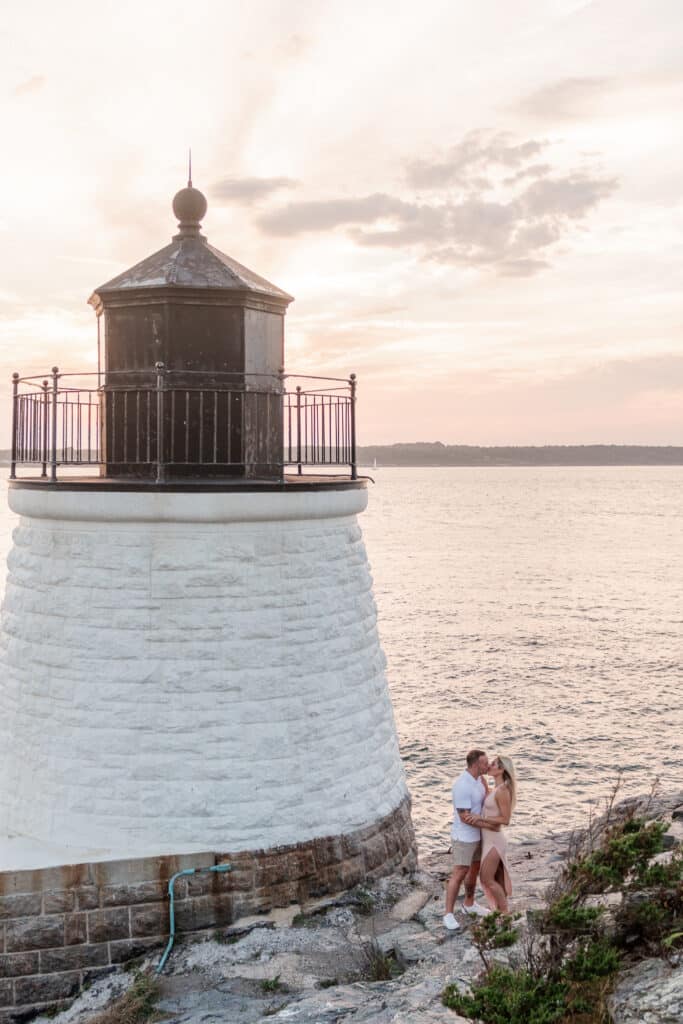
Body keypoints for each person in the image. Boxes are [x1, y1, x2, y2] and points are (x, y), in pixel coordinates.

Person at [443, 749, 493, 930]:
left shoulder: (480, 780)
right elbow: (465, 817)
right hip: (464, 837)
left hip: (478, 834)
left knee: (474, 870)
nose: (487, 765)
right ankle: (448, 914)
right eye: (484, 763)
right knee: (459, 872)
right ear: (475, 765)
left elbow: (487, 797)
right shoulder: (462, 785)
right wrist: (488, 823)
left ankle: (469, 903)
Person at [463, 754, 516, 913]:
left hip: (495, 841)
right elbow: (491, 806)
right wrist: (484, 788)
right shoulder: (496, 789)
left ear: (501, 770)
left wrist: (481, 818)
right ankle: (500, 911)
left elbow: (505, 819)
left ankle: (505, 914)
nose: (489, 766)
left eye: (493, 764)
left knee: (487, 879)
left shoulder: (503, 790)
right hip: (489, 839)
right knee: (494, 879)